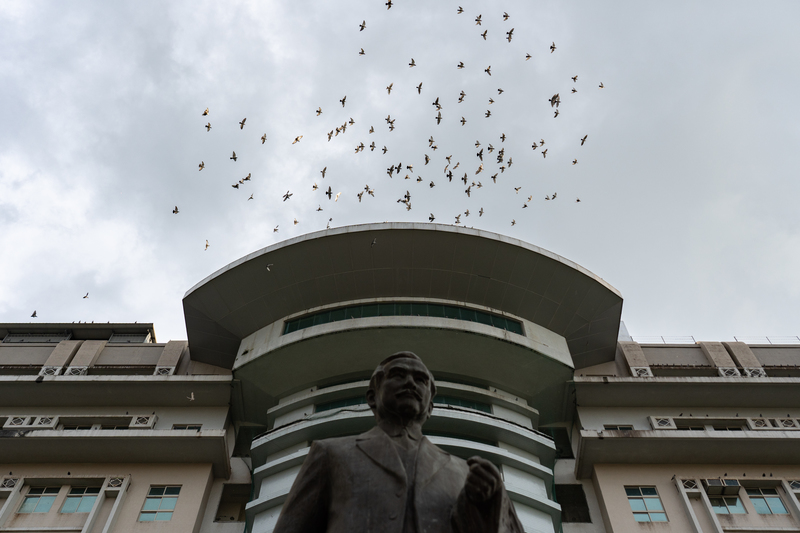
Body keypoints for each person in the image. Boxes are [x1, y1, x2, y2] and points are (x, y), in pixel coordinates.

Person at [273, 351, 524, 533]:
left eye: (420, 379)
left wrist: (486, 504)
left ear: (430, 406)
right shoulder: (330, 454)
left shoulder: (463, 473)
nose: (410, 383)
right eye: (398, 374)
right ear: (373, 396)